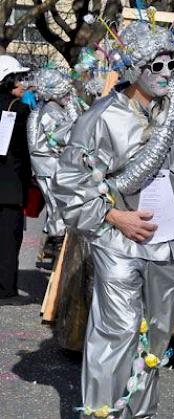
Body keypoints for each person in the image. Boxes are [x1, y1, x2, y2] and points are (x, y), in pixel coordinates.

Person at [52, 21, 174, 418]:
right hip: (118, 243)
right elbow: (69, 182)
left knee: (156, 337)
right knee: (116, 333)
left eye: (171, 66)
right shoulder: (100, 117)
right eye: (157, 66)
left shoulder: (172, 114)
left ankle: (140, 413)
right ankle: (103, 414)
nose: (166, 74)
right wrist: (114, 215)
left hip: (166, 242)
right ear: (134, 68)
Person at [27, 68, 85, 269]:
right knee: (59, 209)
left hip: (50, 167)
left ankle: (54, 249)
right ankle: (59, 255)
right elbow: (62, 138)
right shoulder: (51, 110)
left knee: (57, 209)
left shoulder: (49, 107)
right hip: (51, 168)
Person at [0, 55, 31, 299]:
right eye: (20, 78)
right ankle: (5, 289)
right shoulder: (20, 110)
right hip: (10, 186)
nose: (24, 83)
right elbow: (26, 151)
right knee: (9, 239)